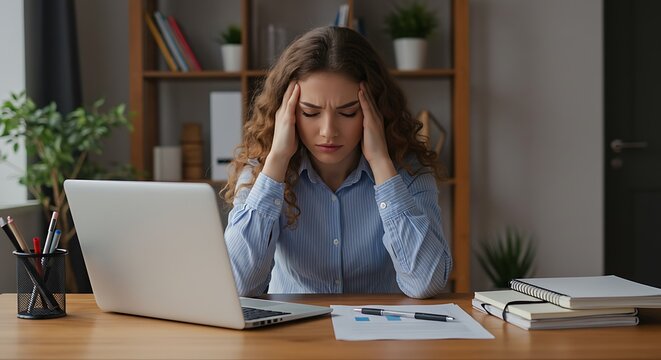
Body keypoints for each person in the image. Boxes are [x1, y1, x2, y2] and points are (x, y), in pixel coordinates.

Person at [223, 26, 452, 299]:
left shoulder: (409, 170)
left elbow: (426, 283)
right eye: (310, 113)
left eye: (348, 112)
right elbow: (237, 286)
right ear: (287, 114)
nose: (328, 131)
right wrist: (277, 162)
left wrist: (381, 164)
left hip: (382, 335)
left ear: (375, 111)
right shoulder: (262, 169)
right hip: (293, 338)